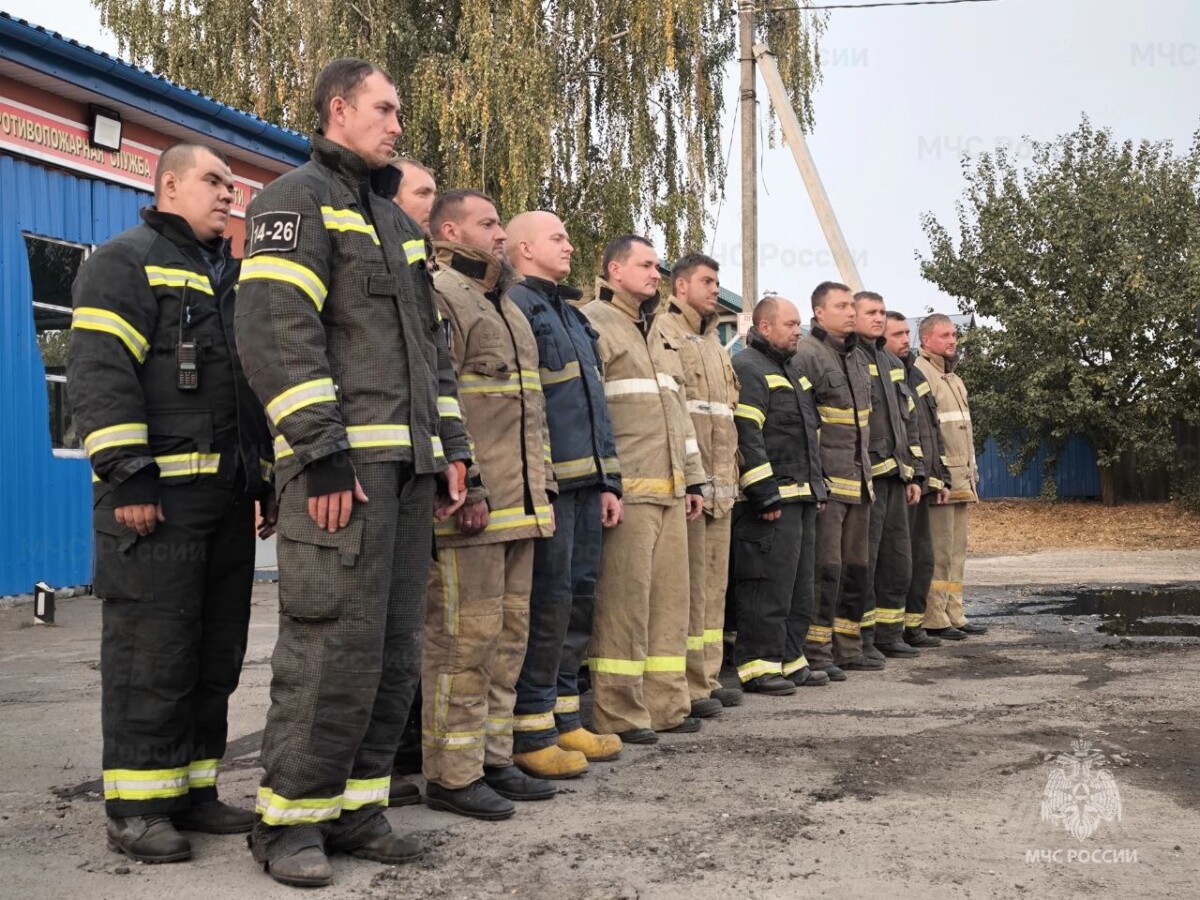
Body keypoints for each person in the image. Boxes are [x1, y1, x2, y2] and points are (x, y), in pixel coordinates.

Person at [234, 58, 472, 887]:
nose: (397, 125)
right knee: (331, 645)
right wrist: (324, 454)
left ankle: (356, 808)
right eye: (385, 108)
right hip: (341, 473)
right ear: (338, 109)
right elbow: (275, 334)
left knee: (392, 652)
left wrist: (452, 454)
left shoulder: (400, 228)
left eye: (398, 111)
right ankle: (287, 822)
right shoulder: (291, 202)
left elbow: (432, 357)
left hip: (406, 473)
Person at [68, 142, 274, 865]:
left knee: (215, 653)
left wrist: (264, 476)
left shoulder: (230, 277)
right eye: (214, 181)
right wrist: (128, 477)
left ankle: (191, 790)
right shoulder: (123, 261)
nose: (229, 195)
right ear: (169, 185)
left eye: (233, 185)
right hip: (155, 503)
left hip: (223, 497)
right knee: (151, 654)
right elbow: (98, 372)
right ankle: (135, 808)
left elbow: (249, 390)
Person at [419, 190, 559, 820]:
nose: (500, 234)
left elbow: (530, 414)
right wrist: (467, 483)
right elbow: (437, 404)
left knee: (507, 640)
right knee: (462, 645)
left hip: (521, 509)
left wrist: (543, 489)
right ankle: (451, 775)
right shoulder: (441, 294)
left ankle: (493, 759)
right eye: (488, 223)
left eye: (502, 222)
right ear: (450, 230)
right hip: (471, 511)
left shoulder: (507, 305)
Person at [505, 211, 625, 777]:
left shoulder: (572, 315)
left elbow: (594, 406)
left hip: (586, 487)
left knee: (578, 602)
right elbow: (527, 409)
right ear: (523, 247)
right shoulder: (517, 308)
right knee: (547, 607)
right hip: (550, 487)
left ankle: (565, 718)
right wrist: (539, 484)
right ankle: (531, 730)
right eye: (558, 236)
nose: (570, 244)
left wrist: (608, 481)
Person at [582, 235, 706, 742]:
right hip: (628, 491)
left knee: (669, 606)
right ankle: (619, 713)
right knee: (623, 608)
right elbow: (593, 414)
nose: (656, 274)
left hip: (674, 489)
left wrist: (694, 478)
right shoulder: (594, 322)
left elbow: (679, 414)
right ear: (614, 270)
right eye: (646, 265)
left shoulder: (659, 331)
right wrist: (604, 482)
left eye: (658, 266)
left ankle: (666, 703)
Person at [729, 297, 830, 695]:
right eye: (790, 324)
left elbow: (810, 437)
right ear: (764, 327)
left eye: (799, 324)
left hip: (802, 497)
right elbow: (747, 436)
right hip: (772, 502)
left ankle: (791, 659)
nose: (798, 331)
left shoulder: (794, 372)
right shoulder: (749, 368)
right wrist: (763, 493)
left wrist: (817, 485)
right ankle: (758, 666)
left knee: (799, 586)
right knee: (766, 586)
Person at [658, 253, 741, 713]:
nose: (715, 289)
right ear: (681, 286)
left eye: (717, 281)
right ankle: (685, 684)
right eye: (707, 281)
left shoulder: (713, 344)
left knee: (713, 590)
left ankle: (706, 678)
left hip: (722, 490)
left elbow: (725, 417)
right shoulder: (666, 334)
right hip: (689, 484)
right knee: (686, 592)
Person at [386, 155, 438, 808]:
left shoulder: (426, 278)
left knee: (410, 634)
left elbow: (440, 385)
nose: (434, 201)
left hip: (425, 478)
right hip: (373, 480)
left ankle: (405, 753)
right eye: (423, 191)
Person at [793, 281, 875, 679]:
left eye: (851, 306)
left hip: (860, 483)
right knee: (825, 570)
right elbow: (805, 424)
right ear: (819, 313)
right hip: (829, 485)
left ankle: (848, 647)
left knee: (855, 569)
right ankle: (817, 652)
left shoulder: (859, 357)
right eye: (841, 306)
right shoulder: (807, 354)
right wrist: (816, 481)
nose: (850, 312)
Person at [852, 291, 924, 659]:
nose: (879, 318)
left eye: (882, 312)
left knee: (898, 560)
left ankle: (889, 634)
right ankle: (863, 639)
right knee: (867, 560)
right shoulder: (850, 358)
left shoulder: (889, 360)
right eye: (871, 312)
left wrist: (913, 473)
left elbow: (907, 419)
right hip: (867, 477)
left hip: (896, 475)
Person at [914, 314, 988, 641]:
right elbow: (926, 433)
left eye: (954, 335)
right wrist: (936, 476)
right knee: (939, 552)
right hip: (941, 481)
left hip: (962, 480)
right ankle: (934, 616)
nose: (952, 341)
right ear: (926, 339)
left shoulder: (954, 379)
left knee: (957, 552)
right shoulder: (922, 374)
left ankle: (955, 611)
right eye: (945, 335)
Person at [883, 311, 950, 649]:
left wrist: (938, 476)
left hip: (921, 480)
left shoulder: (913, 375)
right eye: (897, 335)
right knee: (900, 560)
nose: (904, 341)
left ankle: (913, 625)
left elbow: (929, 429)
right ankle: (897, 630)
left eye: (905, 333)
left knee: (922, 558)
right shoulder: (891, 374)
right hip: (901, 480)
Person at [391, 157, 437, 235]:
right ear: (390, 198)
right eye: (423, 193)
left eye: (435, 195)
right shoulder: (365, 243)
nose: (435, 207)